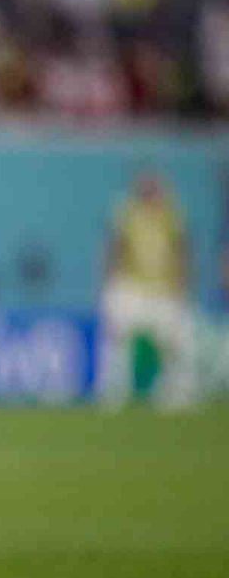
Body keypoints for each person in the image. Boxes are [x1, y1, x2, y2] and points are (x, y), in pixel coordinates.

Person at [98, 171, 195, 408]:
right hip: (132, 287)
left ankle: (177, 392)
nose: (151, 193)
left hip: (164, 289)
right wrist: (109, 284)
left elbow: (182, 251)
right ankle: (113, 392)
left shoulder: (172, 215)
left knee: (176, 344)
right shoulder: (128, 213)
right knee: (117, 340)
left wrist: (183, 284)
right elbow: (115, 249)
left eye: (154, 188)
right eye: (146, 188)